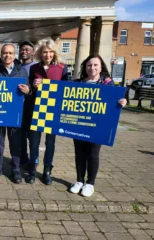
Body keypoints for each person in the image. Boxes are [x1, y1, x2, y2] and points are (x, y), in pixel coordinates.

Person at [70, 54, 126, 197]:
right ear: (85, 67)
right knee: (79, 153)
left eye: (95, 65)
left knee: (93, 154)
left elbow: (118, 99)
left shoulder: (108, 83)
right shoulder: (77, 82)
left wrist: (123, 102)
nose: (92, 68)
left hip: (97, 126)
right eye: (89, 65)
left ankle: (90, 183)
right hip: (79, 125)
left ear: (101, 67)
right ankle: (79, 181)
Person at [0, 44, 30, 183]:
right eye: (5, 53)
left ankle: (16, 169)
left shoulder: (22, 72)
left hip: (15, 113)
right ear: (1, 54)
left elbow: (29, 94)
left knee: (15, 142)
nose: (8, 55)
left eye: (10, 53)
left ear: (14, 55)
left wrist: (28, 91)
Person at [27, 39, 69, 185]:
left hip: (53, 110)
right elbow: (30, 92)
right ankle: (32, 170)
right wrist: (32, 85)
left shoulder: (62, 68)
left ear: (54, 53)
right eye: (45, 51)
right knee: (34, 142)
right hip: (36, 109)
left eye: (51, 52)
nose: (48, 54)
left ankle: (47, 171)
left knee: (50, 143)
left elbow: (66, 90)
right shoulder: (34, 69)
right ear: (40, 53)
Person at [18, 41, 38, 170]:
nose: (24, 52)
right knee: (20, 136)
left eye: (27, 49)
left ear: (33, 52)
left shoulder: (36, 67)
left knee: (32, 137)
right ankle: (23, 158)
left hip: (33, 106)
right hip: (20, 106)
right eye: (22, 49)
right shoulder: (17, 67)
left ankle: (33, 162)